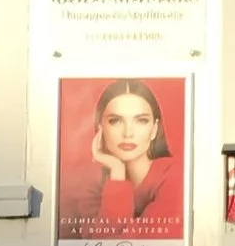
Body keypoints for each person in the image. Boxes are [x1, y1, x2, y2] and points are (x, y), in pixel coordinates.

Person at [70, 78, 181, 230]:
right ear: (100, 126)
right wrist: (117, 171)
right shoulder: (92, 189)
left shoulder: (174, 176)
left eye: (141, 120)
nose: (128, 133)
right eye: (115, 121)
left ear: (154, 129)